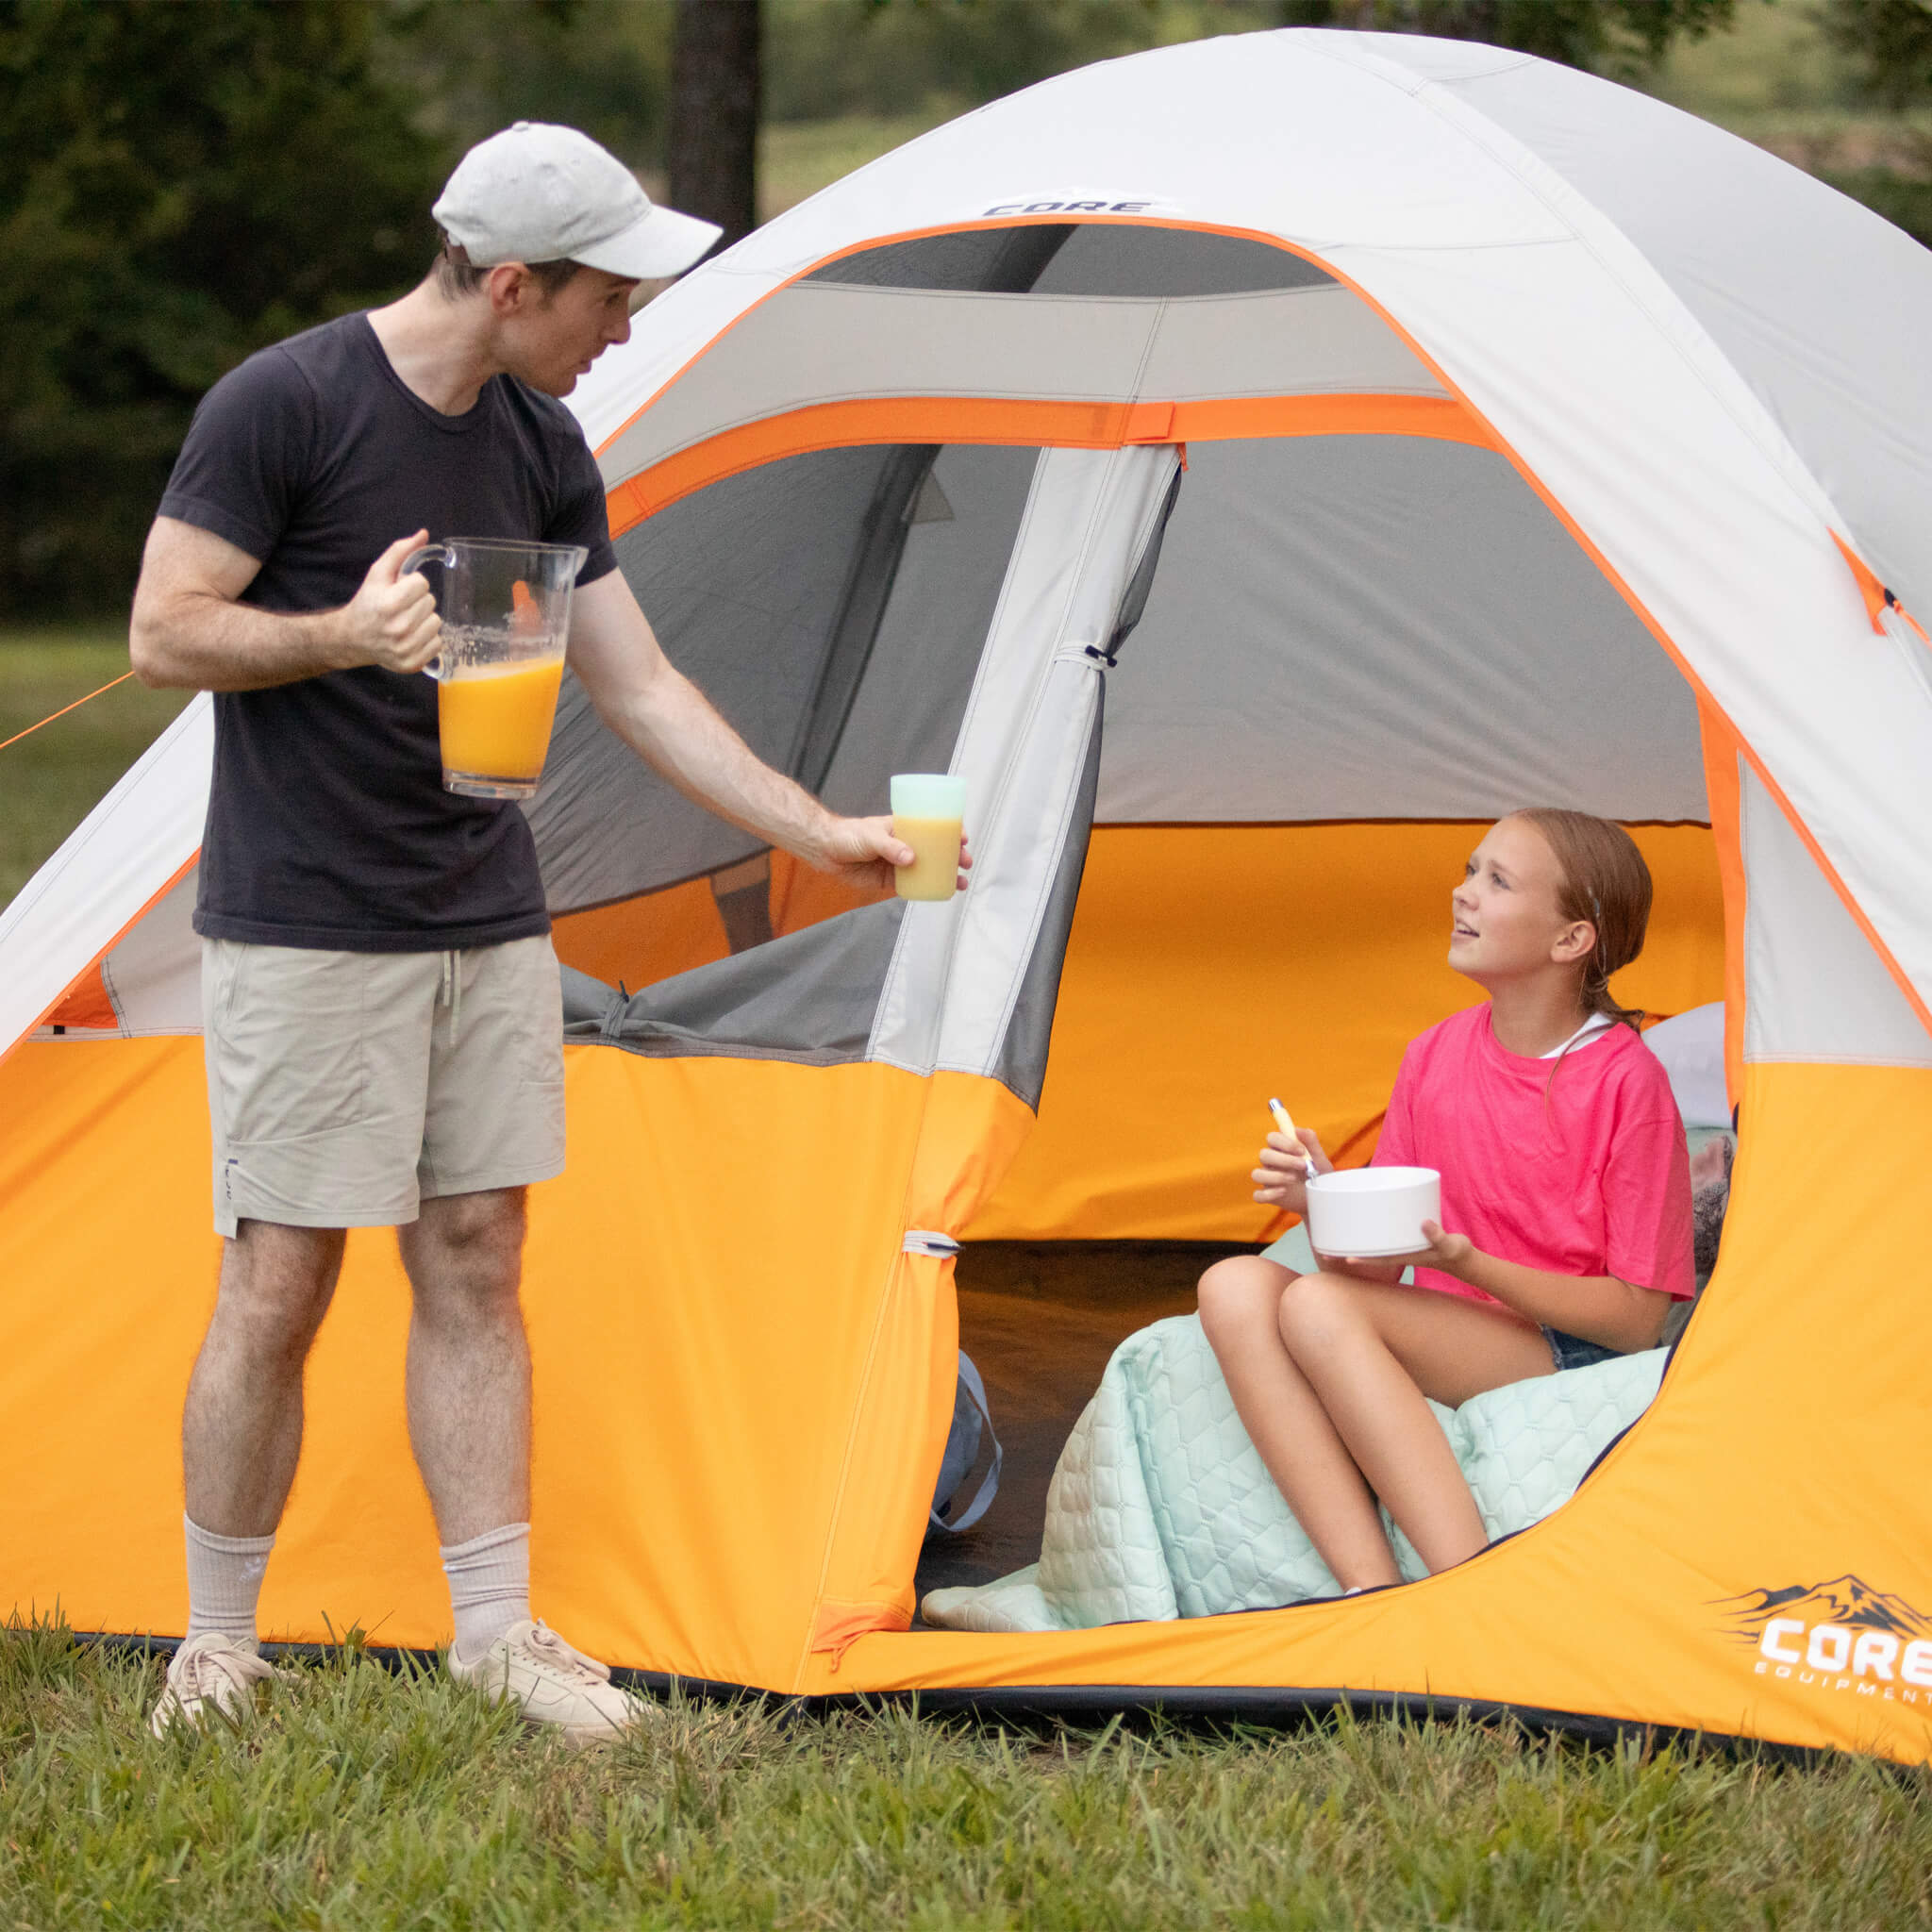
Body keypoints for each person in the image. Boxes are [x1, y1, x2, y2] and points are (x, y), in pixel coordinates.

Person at [129, 124, 958, 1740]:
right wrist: (343, 635)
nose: (623, 329)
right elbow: (165, 630)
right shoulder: (283, 405)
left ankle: (498, 1637)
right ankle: (215, 1645)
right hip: (308, 922)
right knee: (281, 1276)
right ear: (511, 284)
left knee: (477, 1257)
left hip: (487, 917)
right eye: (607, 298)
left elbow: (638, 683)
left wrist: (819, 833)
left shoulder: (539, 441)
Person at [1196, 809, 1692, 1593]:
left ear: (1571, 939)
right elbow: (1369, 1279)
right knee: (1231, 1285)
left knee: (1317, 1307)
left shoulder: (1627, 1082)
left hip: (1566, 1348)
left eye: (1498, 881)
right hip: (1446, 1326)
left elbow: (1636, 1322)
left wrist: (1468, 1264)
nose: (1464, 893)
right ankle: (1368, 1588)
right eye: (1470, 870)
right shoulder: (1433, 1054)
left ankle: (1466, 1591)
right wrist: (1324, 1203)